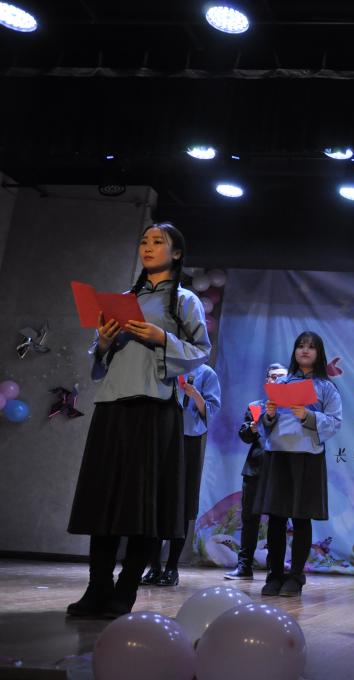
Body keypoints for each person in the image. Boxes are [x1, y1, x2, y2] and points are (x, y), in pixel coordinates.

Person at [66, 223, 211, 618]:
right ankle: (97, 587)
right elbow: (100, 358)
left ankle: (125, 589)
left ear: (176, 253)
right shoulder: (124, 298)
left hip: (154, 405)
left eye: (157, 242)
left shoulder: (184, 301)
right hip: (113, 404)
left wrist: (162, 338)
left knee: (144, 505)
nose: (148, 247)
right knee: (104, 500)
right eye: (144, 241)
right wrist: (104, 341)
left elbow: (201, 350)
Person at [254, 331, 343, 598]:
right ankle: (274, 575)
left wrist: (308, 416)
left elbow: (335, 423)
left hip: (307, 458)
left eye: (311, 347)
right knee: (276, 519)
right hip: (278, 455)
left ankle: (295, 578)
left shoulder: (326, 388)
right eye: (301, 346)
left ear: (319, 353)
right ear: (294, 351)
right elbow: (264, 423)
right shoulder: (280, 383)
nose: (305, 350)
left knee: (301, 519)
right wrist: (269, 415)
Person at [142, 362, 221, 586]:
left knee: (183, 503)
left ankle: (172, 567)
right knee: (156, 500)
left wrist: (195, 394)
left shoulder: (206, 373)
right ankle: (153, 566)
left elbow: (212, 412)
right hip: (161, 436)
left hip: (188, 440)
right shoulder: (165, 366)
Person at [225, 362, 288, 580]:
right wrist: (253, 426)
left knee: (278, 522)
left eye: (283, 377)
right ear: (267, 381)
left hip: (280, 471)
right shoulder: (255, 406)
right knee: (249, 519)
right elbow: (245, 436)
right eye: (274, 376)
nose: (278, 380)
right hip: (255, 469)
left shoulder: (292, 409)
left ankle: (275, 569)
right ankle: (244, 566)